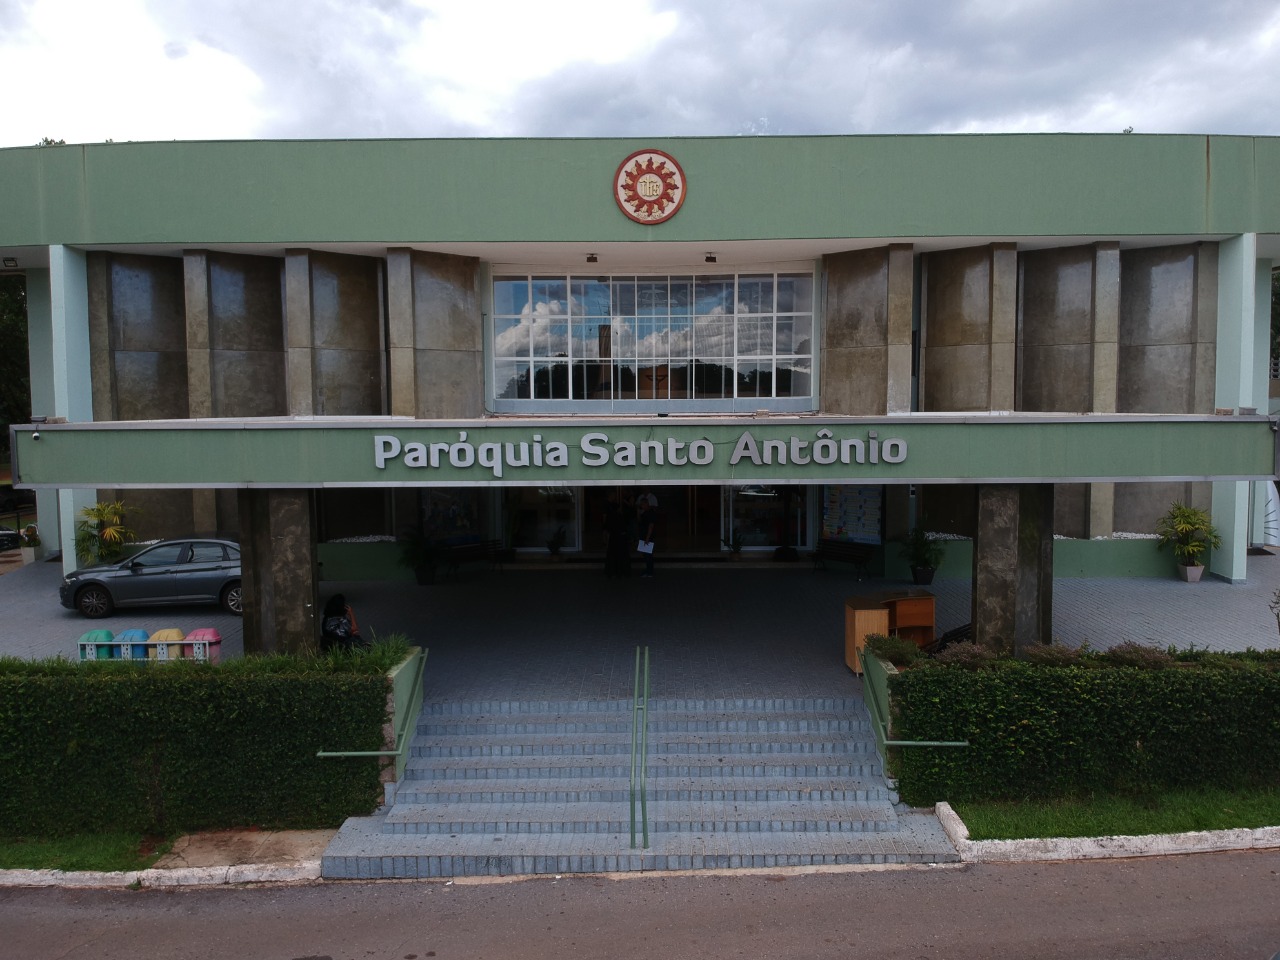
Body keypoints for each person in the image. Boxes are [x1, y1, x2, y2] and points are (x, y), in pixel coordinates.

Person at [637, 495, 657, 578]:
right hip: (644, 536)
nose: (641, 506)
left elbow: (651, 526)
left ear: (646, 504)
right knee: (645, 554)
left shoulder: (650, 513)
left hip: (647, 537)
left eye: (642, 504)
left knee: (648, 555)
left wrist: (647, 538)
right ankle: (648, 570)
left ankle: (650, 571)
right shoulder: (645, 513)